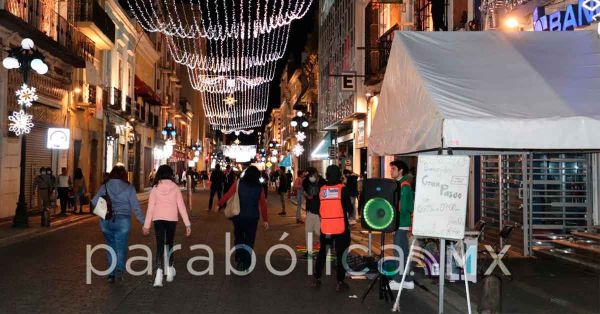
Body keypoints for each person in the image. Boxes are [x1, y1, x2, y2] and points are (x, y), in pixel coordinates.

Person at [91, 165, 145, 283]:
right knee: (121, 247)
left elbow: (94, 201)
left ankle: (111, 274)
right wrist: (143, 222)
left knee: (111, 247)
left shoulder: (105, 186)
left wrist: (102, 211)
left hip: (106, 220)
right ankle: (119, 269)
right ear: (124, 175)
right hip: (123, 221)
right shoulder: (129, 187)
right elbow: (135, 207)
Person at [142, 165, 192, 287]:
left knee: (159, 246)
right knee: (169, 244)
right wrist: (187, 224)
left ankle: (159, 276)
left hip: (158, 219)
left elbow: (150, 208)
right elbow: (181, 206)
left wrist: (146, 225)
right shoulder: (175, 188)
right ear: (170, 174)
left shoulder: (155, 188)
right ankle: (169, 270)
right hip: (171, 219)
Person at [218, 166, 269, 273]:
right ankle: (246, 262)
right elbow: (263, 204)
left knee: (239, 238)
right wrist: (265, 220)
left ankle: (239, 259)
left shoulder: (239, 183)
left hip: (239, 216)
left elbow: (228, 194)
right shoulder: (259, 187)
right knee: (249, 240)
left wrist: (219, 204)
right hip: (252, 217)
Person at [312, 165, 353, 291]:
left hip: (326, 228)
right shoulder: (343, 189)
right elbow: (349, 209)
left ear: (327, 175)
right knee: (341, 254)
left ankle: (317, 278)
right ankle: (340, 282)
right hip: (341, 228)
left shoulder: (322, 190)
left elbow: (318, 209)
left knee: (323, 252)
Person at [387, 160, 415, 291]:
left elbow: (402, 208)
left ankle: (399, 281)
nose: (391, 171)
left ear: (401, 171)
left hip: (401, 224)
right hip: (401, 224)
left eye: (393, 169)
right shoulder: (401, 185)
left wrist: (394, 224)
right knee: (402, 252)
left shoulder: (404, 186)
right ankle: (407, 280)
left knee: (400, 252)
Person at [303, 167, 325, 257]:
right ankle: (309, 251)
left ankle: (324, 249)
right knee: (308, 230)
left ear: (316, 173)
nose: (311, 176)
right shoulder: (307, 181)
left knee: (318, 232)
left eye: (312, 174)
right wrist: (306, 195)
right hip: (310, 210)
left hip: (320, 211)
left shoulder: (323, 182)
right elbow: (304, 190)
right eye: (309, 175)